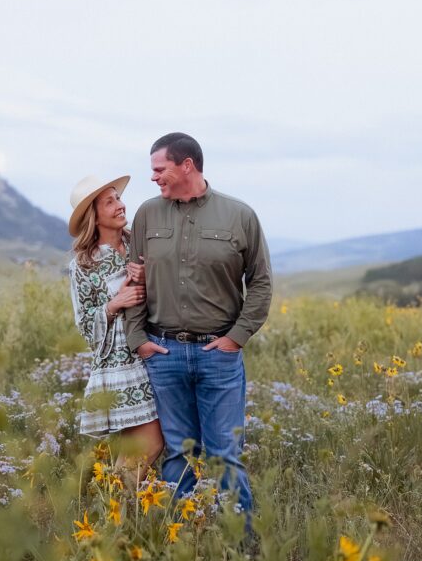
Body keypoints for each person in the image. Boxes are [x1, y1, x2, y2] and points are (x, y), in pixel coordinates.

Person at [124, 133, 272, 515]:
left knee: (225, 454)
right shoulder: (147, 214)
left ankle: (242, 546)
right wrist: (138, 337)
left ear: (186, 165)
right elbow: (135, 279)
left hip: (218, 355)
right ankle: (181, 540)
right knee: (177, 453)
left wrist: (236, 339)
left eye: (160, 169)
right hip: (163, 352)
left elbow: (260, 281)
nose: (154, 177)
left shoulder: (240, 216)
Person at [68, 174, 163, 488]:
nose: (120, 205)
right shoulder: (84, 265)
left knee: (137, 447)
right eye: (110, 201)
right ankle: (114, 511)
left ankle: (115, 517)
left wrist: (149, 275)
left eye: (119, 198)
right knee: (151, 442)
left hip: (153, 349)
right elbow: (84, 325)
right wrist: (114, 303)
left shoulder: (139, 243)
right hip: (120, 364)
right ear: (93, 215)